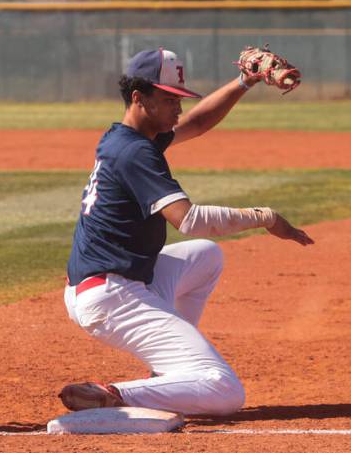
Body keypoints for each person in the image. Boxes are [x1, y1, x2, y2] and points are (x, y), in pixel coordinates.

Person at [60, 48, 314, 416]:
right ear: (138, 97)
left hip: (112, 280)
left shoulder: (128, 137)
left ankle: (167, 372)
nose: (177, 108)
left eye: (178, 98)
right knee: (224, 390)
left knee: (205, 256)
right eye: (168, 99)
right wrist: (265, 217)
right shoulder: (135, 153)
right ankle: (117, 393)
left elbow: (196, 123)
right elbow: (189, 219)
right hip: (112, 297)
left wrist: (244, 82)